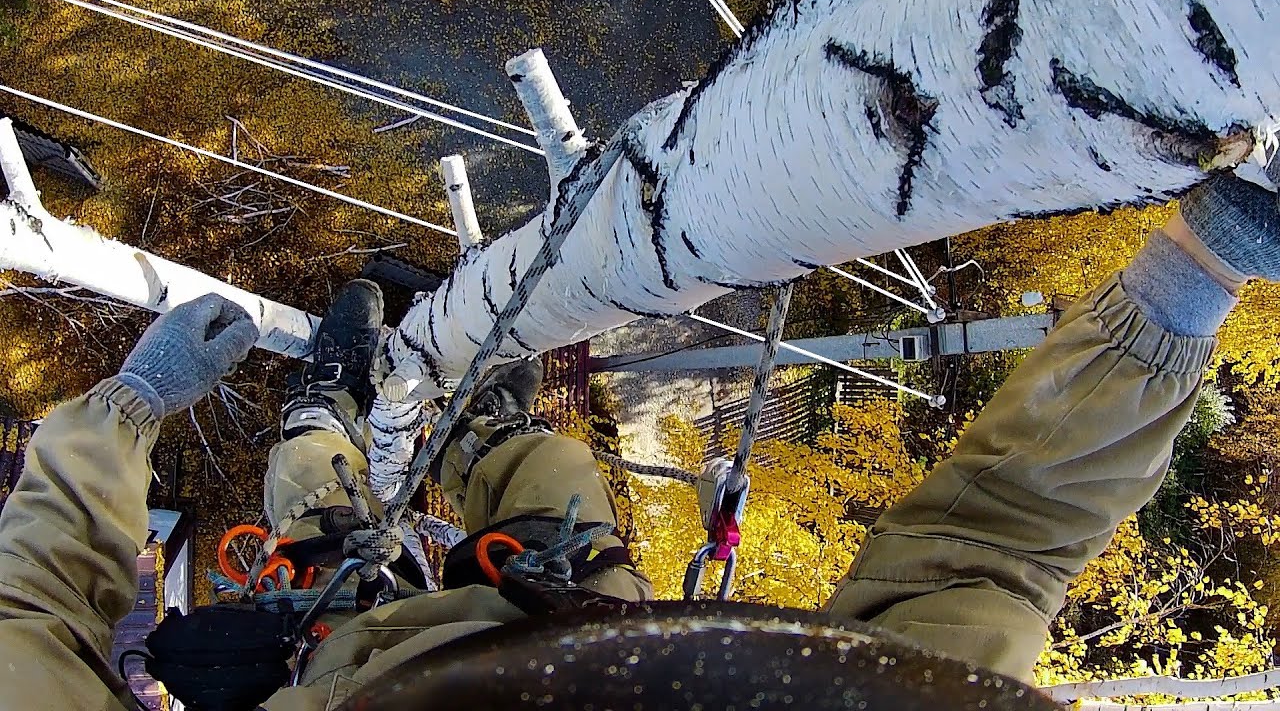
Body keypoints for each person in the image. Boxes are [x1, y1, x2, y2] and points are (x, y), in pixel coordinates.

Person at [1, 162, 1278, 710]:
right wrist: (1185, 280)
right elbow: (993, 549)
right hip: (571, 610)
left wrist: (128, 407)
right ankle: (470, 423)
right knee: (550, 479)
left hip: (341, 667)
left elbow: (29, 616)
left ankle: (326, 405)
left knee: (318, 514)